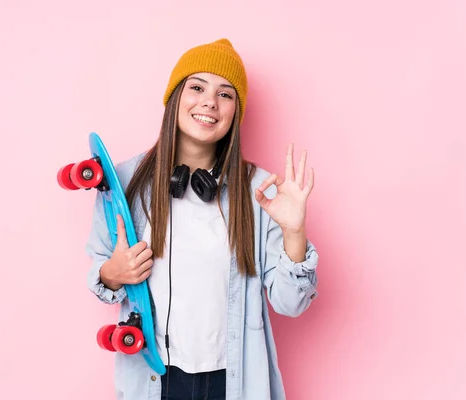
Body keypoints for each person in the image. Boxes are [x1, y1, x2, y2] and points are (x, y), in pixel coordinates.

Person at [86, 38, 319, 400]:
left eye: (226, 94)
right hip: (154, 378)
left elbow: (291, 303)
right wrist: (111, 274)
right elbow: (101, 273)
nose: (210, 101)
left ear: (235, 113)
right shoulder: (124, 181)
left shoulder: (259, 190)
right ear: (175, 97)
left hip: (232, 381)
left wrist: (294, 231)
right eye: (197, 87)